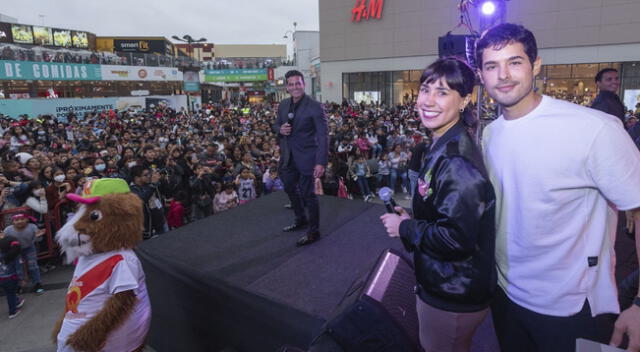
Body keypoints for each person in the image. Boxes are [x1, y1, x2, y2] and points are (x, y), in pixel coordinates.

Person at [477, 23, 640, 351]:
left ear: (536, 65)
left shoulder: (594, 130)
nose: (503, 75)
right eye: (492, 66)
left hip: (574, 307)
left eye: (515, 62)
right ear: (481, 76)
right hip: (505, 296)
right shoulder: (490, 134)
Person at [380, 57, 496, 352]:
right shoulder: (442, 142)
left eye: (442, 92)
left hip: (453, 294)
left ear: (464, 100)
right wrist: (415, 217)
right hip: (445, 282)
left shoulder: (456, 161)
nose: (428, 101)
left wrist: (405, 226)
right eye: (425, 89)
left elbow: (456, 239)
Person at [273, 70, 329, 246]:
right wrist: (279, 130)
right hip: (287, 157)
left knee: (308, 196)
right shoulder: (283, 104)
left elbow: (323, 136)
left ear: (304, 84)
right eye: (291, 84)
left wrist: (321, 162)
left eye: (298, 83)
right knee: (289, 187)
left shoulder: (315, 106)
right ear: (287, 87)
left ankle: (314, 231)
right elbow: (275, 124)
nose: (295, 87)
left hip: (307, 158)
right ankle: (300, 218)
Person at [4, 213, 46, 295]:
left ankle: (37, 284)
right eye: (16, 220)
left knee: (33, 266)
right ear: (13, 221)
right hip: (16, 250)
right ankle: (19, 285)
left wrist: (38, 236)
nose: (19, 221)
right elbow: (5, 242)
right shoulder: (8, 230)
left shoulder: (32, 227)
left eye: (22, 219)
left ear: (27, 219)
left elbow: (39, 239)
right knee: (18, 268)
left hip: (29, 247)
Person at [0, 232, 24, 318]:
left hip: (1, 279)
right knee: (11, 294)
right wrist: (21, 279)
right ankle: (13, 312)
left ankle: (17, 301)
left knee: (8, 293)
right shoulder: (15, 256)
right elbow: (19, 268)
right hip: (11, 278)